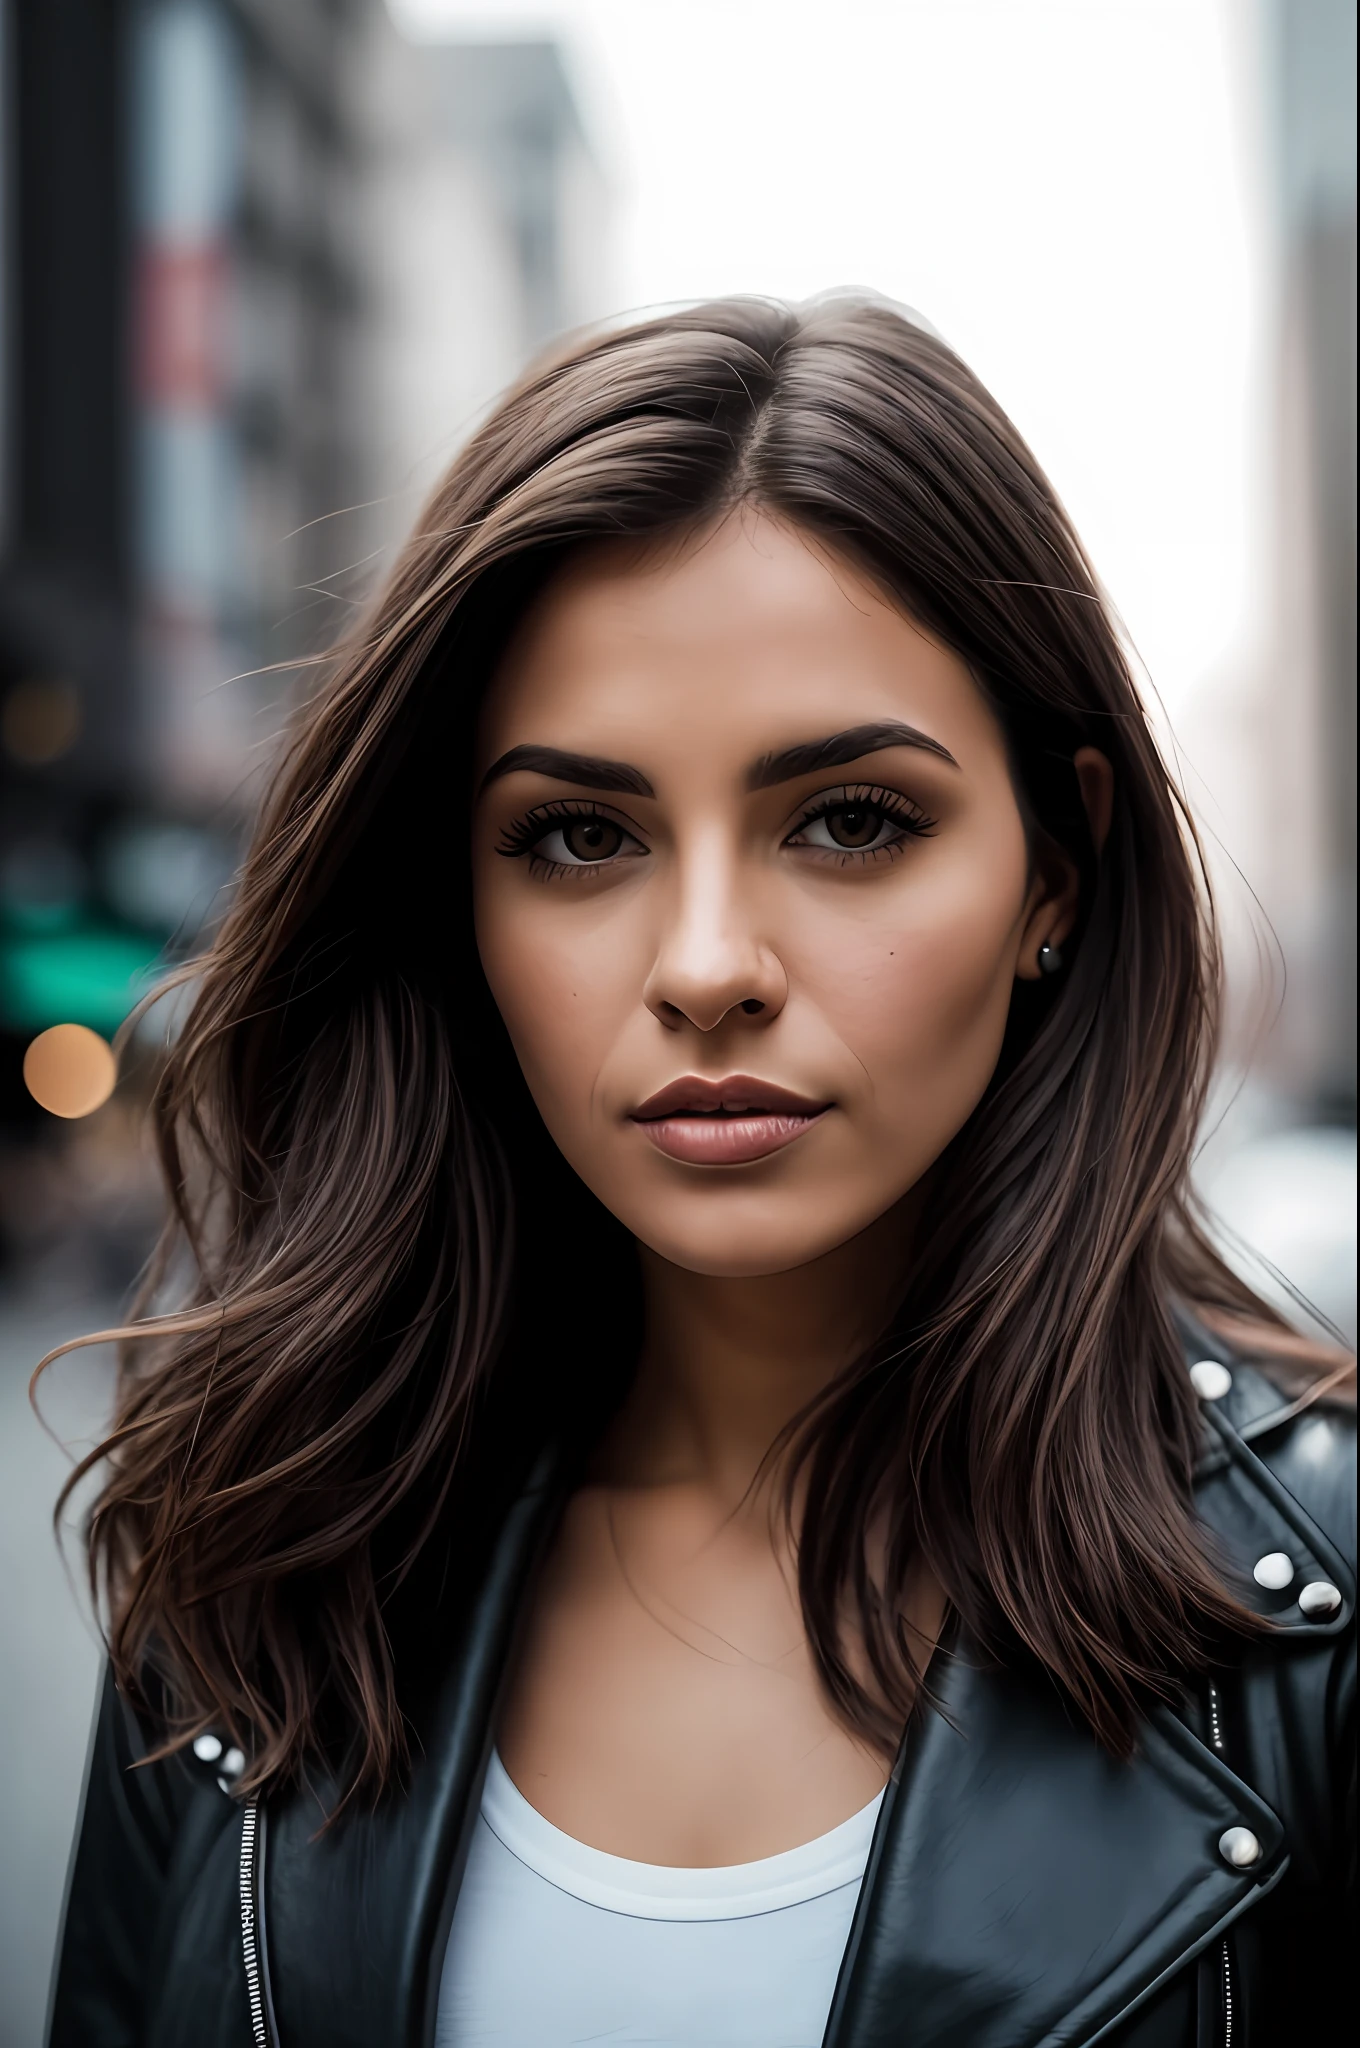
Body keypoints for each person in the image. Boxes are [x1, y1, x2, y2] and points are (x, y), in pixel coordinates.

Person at [46, 298, 1353, 2048]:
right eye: (578, 837)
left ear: (1059, 870)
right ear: (461, 907)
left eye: (853, 820)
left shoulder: (1322, 1628)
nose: (709, 961)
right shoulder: (261, 1574)